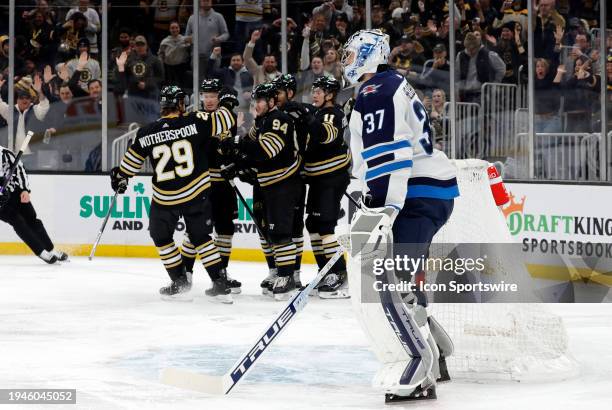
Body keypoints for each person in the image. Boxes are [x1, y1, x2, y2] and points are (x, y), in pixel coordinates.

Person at [341, 29, 458, 402]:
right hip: (429, 193)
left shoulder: (375, 92)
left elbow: (390, 155)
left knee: (389, 282)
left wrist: (381, 206)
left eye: (350, 54)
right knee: (404, 278)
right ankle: (437, 352)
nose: (345, 61)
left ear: (368, 56)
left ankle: (418, 366)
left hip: (414, 194)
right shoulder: (396, 85)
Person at [111, 85, 237, 303]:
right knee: (201, 238)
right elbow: (227, 120)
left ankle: (180, 281)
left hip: (164, 197)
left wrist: (120, 178)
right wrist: (226, 102)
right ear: (180, 104)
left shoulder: (146, 132)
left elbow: (128, 166)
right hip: (195, 191)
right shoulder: (196, 121)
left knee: (161, 237)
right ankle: (219, 282)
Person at [220, 82, 301, 301]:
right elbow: (249, 145)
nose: (256, 105)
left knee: (280, 232)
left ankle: (287, 276)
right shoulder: (262, 120)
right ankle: (277, 272)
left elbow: (265, 151)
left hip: (282, 183)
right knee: (266, 231)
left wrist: (236, 143)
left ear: (273, 101)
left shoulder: (279, 119)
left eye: (261, 101)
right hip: (266, 183)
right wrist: (235, 164)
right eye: (255, 101)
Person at [180, 78, 242, 294]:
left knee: (225, 230)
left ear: (219, 97)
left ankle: (221, 275)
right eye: (205, 95)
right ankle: (184, 274)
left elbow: (231, 148)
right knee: (194, 231)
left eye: (213, 95)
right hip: (202, 184)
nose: (208, 100)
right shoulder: (196, 119)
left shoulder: (229, 118)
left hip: (223, 184)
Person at [304, 76, 351, 299]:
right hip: (319, 178)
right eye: (314, 90)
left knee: (324, 225)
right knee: (313, 223)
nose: (315, 94)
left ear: (330, 94)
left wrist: (308, 119)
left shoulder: (332, 114)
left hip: (331, 177)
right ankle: (325, 271)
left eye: (319, 90)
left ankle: (339, 273)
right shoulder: (320, 113)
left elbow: (327, 136)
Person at [0, 144, 68, 264]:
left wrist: (24, 189)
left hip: (15, 193)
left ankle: (51, 250)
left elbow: (19, 169)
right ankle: (41, 252)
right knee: (18, 221)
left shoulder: (5, 154)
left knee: (32, 219)